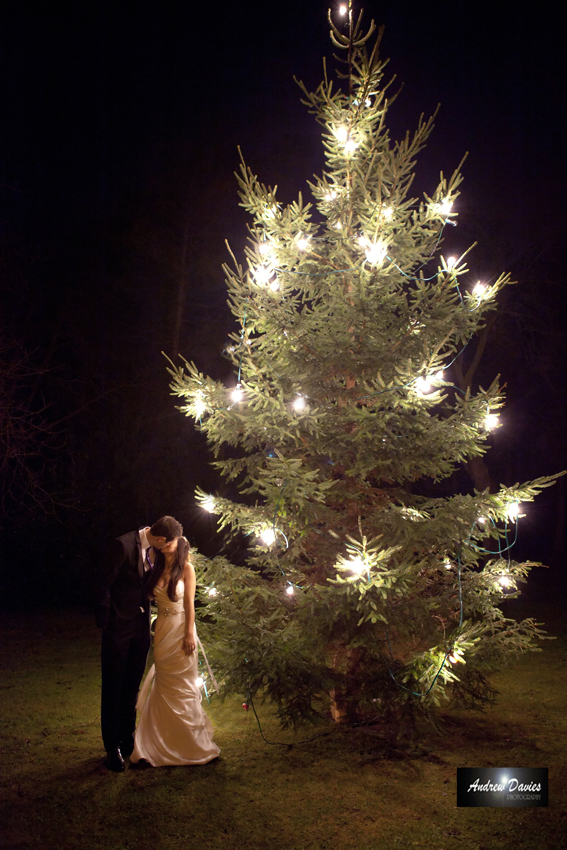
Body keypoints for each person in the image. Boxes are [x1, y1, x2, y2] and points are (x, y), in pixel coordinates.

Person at [96, 516, 183, 772]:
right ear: (160, 539)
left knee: (132, 687)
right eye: (169, 543)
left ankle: (128, 741)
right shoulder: (122, 546)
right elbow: (103, 584)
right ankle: (112, 747)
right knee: (113, 686)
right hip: (117, 630)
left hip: (141, 630)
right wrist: (108, 622)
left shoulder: (156, 551)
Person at [130, 535, 220, 766]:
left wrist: (189, 634)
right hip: (162, 631)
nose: (168, 542)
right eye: (166, 540)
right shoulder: (156, 568)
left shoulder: (187, 569)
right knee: (164, 682)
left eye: (173, 540)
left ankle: (191, 745)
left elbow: (189, 604)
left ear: (181, 546)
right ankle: (154, 744)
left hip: (181, 629)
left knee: (183, 685)